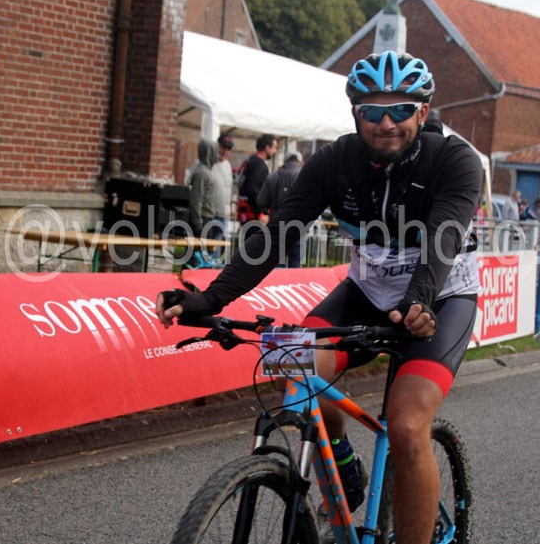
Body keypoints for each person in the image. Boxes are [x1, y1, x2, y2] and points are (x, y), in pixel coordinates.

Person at [156, 50, 483, 543]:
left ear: (423, 111)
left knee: (406, 426)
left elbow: (444, 238)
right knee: (293, 363)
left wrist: (418, 300)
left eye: (400, 109)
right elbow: (277, 234)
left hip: (439, 298)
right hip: (367, 292)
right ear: (355, 113)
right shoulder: (335, 163)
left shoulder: (454, 160)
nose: (386, 123)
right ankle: (344, 468)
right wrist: (212, 297)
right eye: (373, 111)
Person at [257, 151, 304, 267]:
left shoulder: (273, 176)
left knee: (276, 266)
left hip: (276, 227)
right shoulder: (304, 176)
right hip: (298, 228)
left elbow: (261, 201)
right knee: (295, 266)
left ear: (285, 161)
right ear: (299, 161)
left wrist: (266, 210)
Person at [236, 133, 278, 227]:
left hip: (245, 211)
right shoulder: (258, 165)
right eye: (274, 147)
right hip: (252, 215)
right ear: (267, 148)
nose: (275, 151)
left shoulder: (249, 161)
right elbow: (253, 191)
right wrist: (259, 213)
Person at [188, 140, 217, 238]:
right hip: (202, 220)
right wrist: (198, 224)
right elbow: (196, 199)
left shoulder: (205, 171)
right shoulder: (202, 173)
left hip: (207, 219)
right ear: (209, 153)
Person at [210, 134, 235, 242]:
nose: (225, 151)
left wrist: (228, 210)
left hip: (223, 215)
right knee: (204, 246)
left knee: (217, 246)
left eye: (228, 148)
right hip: (209, 214)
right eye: (223, 147)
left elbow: (228, 189)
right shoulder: (209, 163)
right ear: (217, 146)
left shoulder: (228, 165)